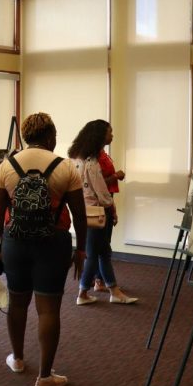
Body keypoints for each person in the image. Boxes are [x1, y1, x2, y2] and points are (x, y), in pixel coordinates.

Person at [0, 112, 87, 386]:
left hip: (14, 242)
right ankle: (45, 376)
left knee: (17, 302)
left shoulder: (6, 166)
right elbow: (79, 216)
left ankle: (17, 359)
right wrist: (81, 249)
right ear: (49, 136)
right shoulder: (66, 167)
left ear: (25, 137)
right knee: (48, 309)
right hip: (53, 242)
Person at [69, 120, 138, 306]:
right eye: (110, 132)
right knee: (97, 253)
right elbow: (102, 193)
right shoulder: (91, 163)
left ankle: (107, 289)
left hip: (84, 210)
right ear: (99, 136)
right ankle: (86, 292)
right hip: (98, 211)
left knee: (101, 252)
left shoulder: (75, 158)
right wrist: (112, 209)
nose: (112, 135)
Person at [92, 122, 125, 294]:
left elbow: (107, 190)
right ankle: (98, 280)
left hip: (107, 201)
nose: (112, 135)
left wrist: (113, 209)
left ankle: (100, 279)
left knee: (104, 244)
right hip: (98, 205)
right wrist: (116, 176)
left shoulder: (103, 154)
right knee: (101, 246)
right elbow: (96, 185)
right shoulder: (93, 158)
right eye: (109, 132)